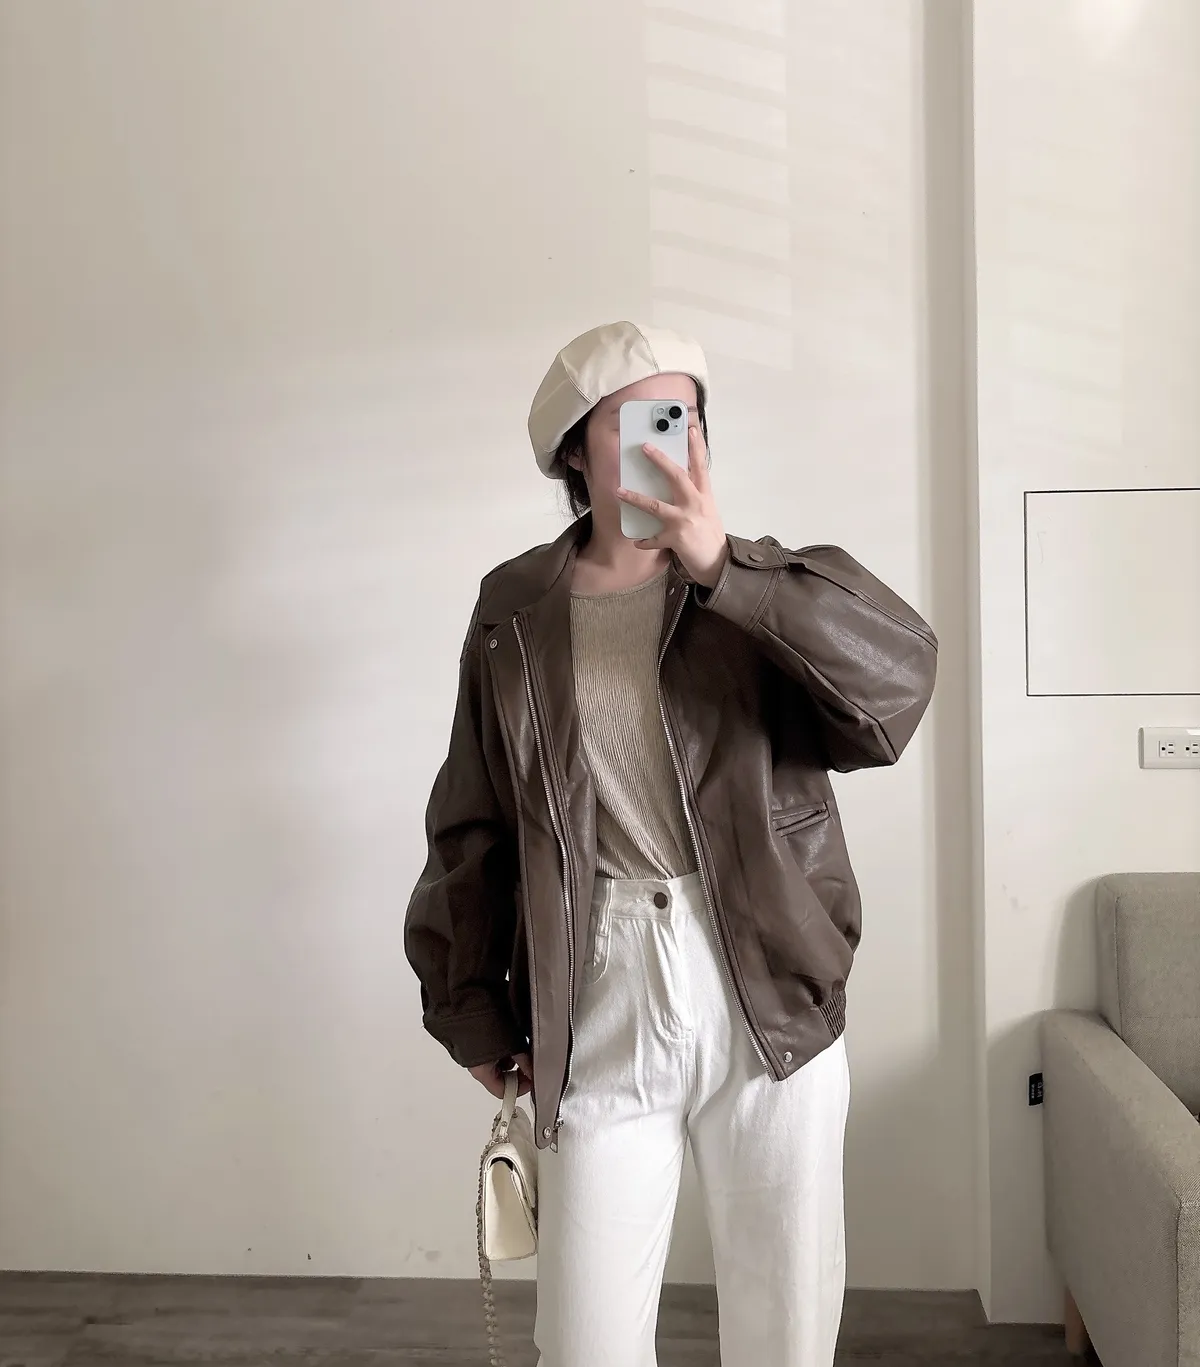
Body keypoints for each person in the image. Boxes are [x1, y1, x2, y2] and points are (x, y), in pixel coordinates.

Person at [405, 320, 937, 1367]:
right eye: (641, 417)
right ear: (575, 449)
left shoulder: (761, 586)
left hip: (767, 978)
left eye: (685, 413)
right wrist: (470, 1003)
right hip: (599, 979)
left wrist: (728, 571)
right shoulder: (514, 609)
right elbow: (474, 815)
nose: (674, 435)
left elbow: (897, 692)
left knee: (785, 1331)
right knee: (586, 1342)